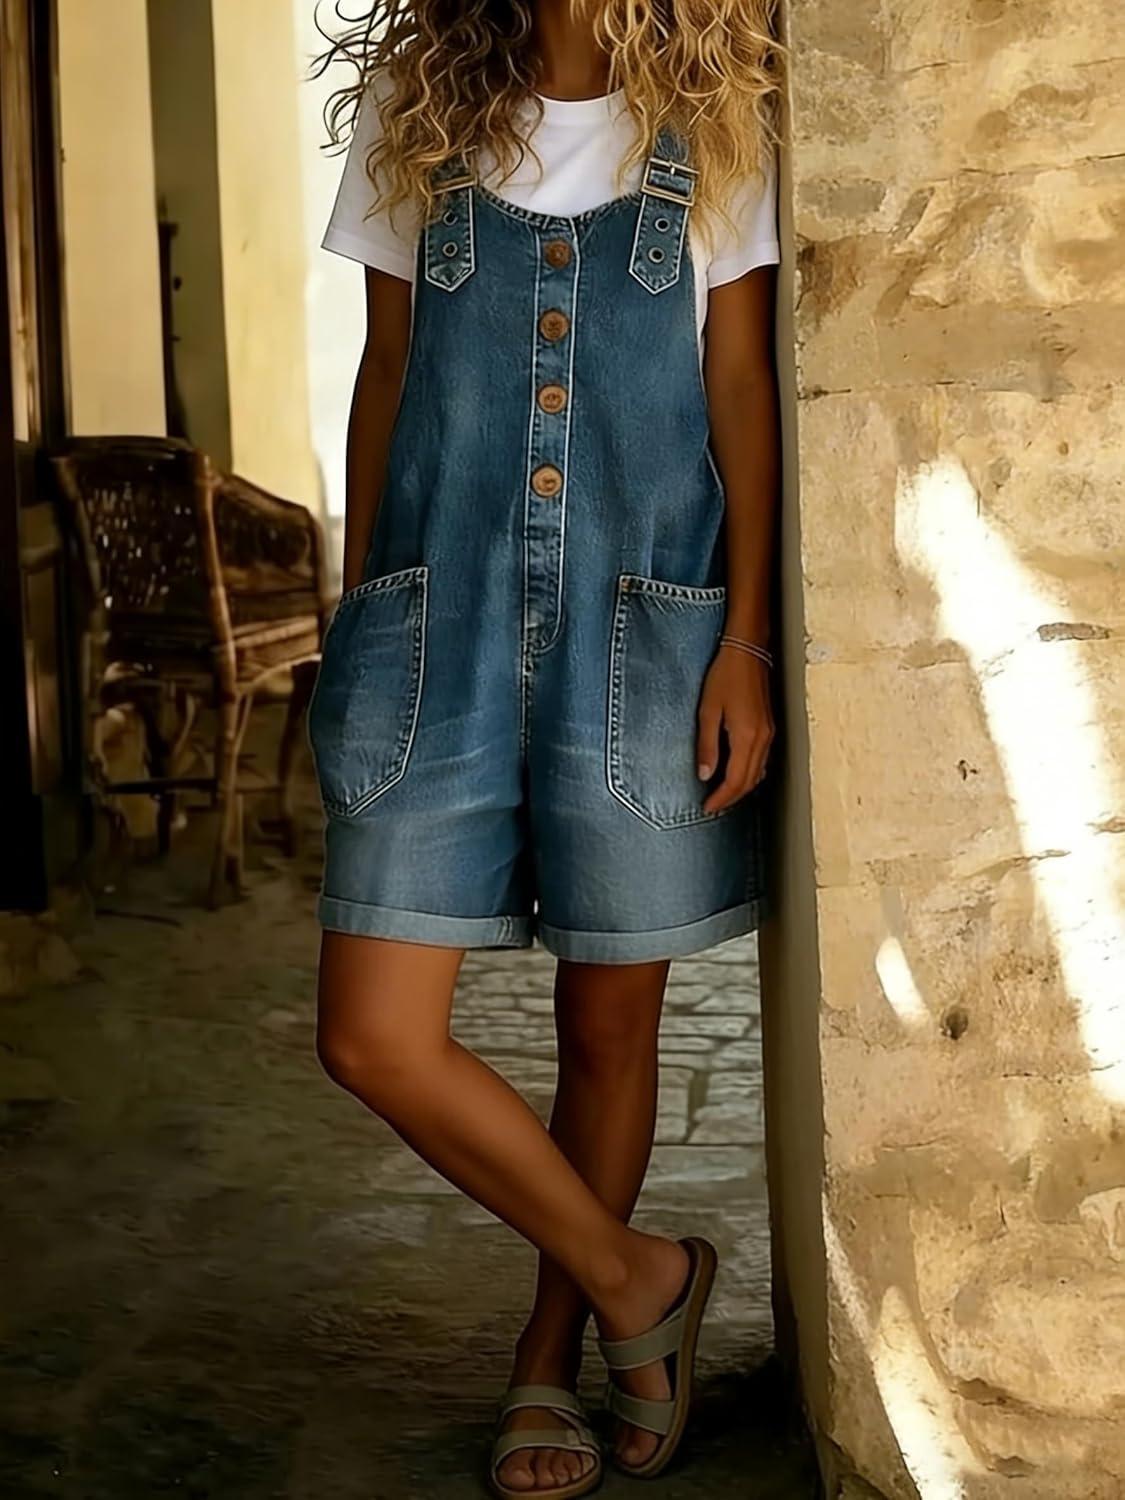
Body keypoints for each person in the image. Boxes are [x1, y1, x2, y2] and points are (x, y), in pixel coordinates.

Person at [310, 2, 783, 1494]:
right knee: (371, 1033)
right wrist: (364, 613)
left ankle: (549, 1359)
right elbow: (386, 372)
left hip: (645, 635)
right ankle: (643, 1276)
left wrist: (746, 644)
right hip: (433, 624)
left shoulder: (721, 115)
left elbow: (740, 388)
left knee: (609, 1028)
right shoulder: (416, 103)